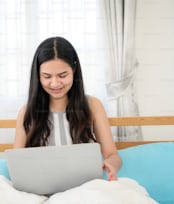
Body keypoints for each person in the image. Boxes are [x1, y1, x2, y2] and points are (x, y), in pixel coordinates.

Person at [14, 36, 122, 181]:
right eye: (46, 76)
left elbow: (112, 155)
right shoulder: (27, 112)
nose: (55, 83)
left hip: (84, 188)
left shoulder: (93, 105)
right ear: (37, 76)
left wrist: (111, 165)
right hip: (41, 189)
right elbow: (17, 163)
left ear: (74, 69)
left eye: (62, 75)